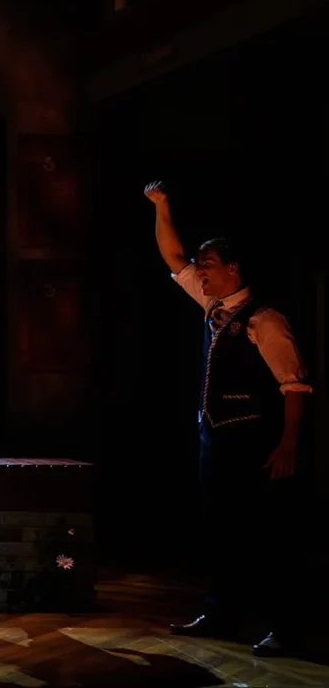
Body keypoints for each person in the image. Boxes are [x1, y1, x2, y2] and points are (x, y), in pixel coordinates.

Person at [145, 181, 310, 657]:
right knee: (219, 529)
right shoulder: (214, 307)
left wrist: (288, 445)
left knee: (266, 536)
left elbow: (294, 387)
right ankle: (222, 612)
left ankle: (285, 626)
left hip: (254, 440)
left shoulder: (266, 320)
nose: (201, 273)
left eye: (210, 266)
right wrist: (162, 207)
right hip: (214, 439)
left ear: (234, 268)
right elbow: (174, 258)